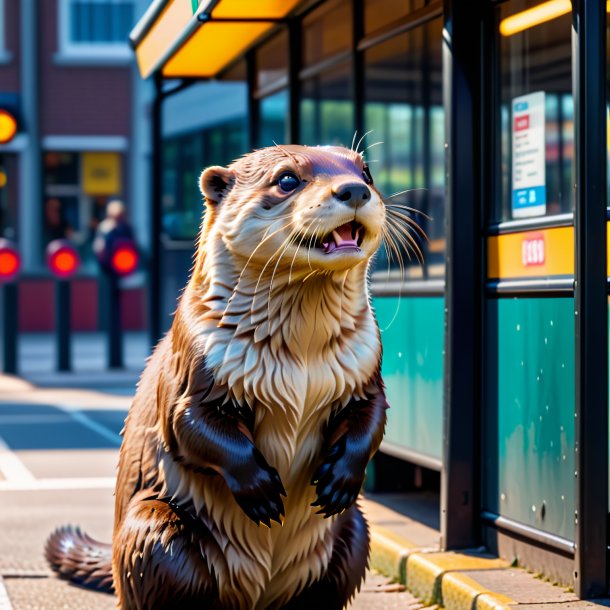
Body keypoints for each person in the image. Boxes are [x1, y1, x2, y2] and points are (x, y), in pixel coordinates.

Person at [93, 199, 136, 274]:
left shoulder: (126, 228)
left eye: (120, 217)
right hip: (107, 268)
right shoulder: (104, 228)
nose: (118, 220)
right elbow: (99, 248)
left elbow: (133, 245)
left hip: (124, 267)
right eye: (115, 217)